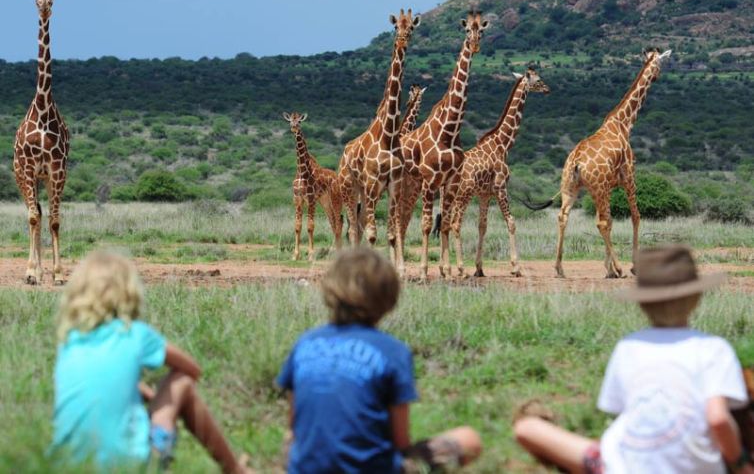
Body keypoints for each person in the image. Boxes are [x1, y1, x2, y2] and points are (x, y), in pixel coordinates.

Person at [514, 245, 753, 473]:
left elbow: (622, 413)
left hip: (621, 466)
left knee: (527, 428)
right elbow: (718, 419)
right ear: (697, 297)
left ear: (641, 302)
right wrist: (740, 463)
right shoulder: (714, 349)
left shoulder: (628, 347)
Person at [277, 247, 482, 473]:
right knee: (469, 438)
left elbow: (294, 429)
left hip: (305, 467)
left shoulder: (305, 344)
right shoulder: (393, 352)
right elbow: (400, 442)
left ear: (329, 291)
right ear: (389, 298)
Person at [50, 249, 252, 473]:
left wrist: (141, 391)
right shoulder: (135, 333)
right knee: (182, 381)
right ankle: (235, 470)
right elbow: (193, 370)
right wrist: (158, 396)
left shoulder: (68, 342)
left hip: (66, 466)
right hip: (131, 465)